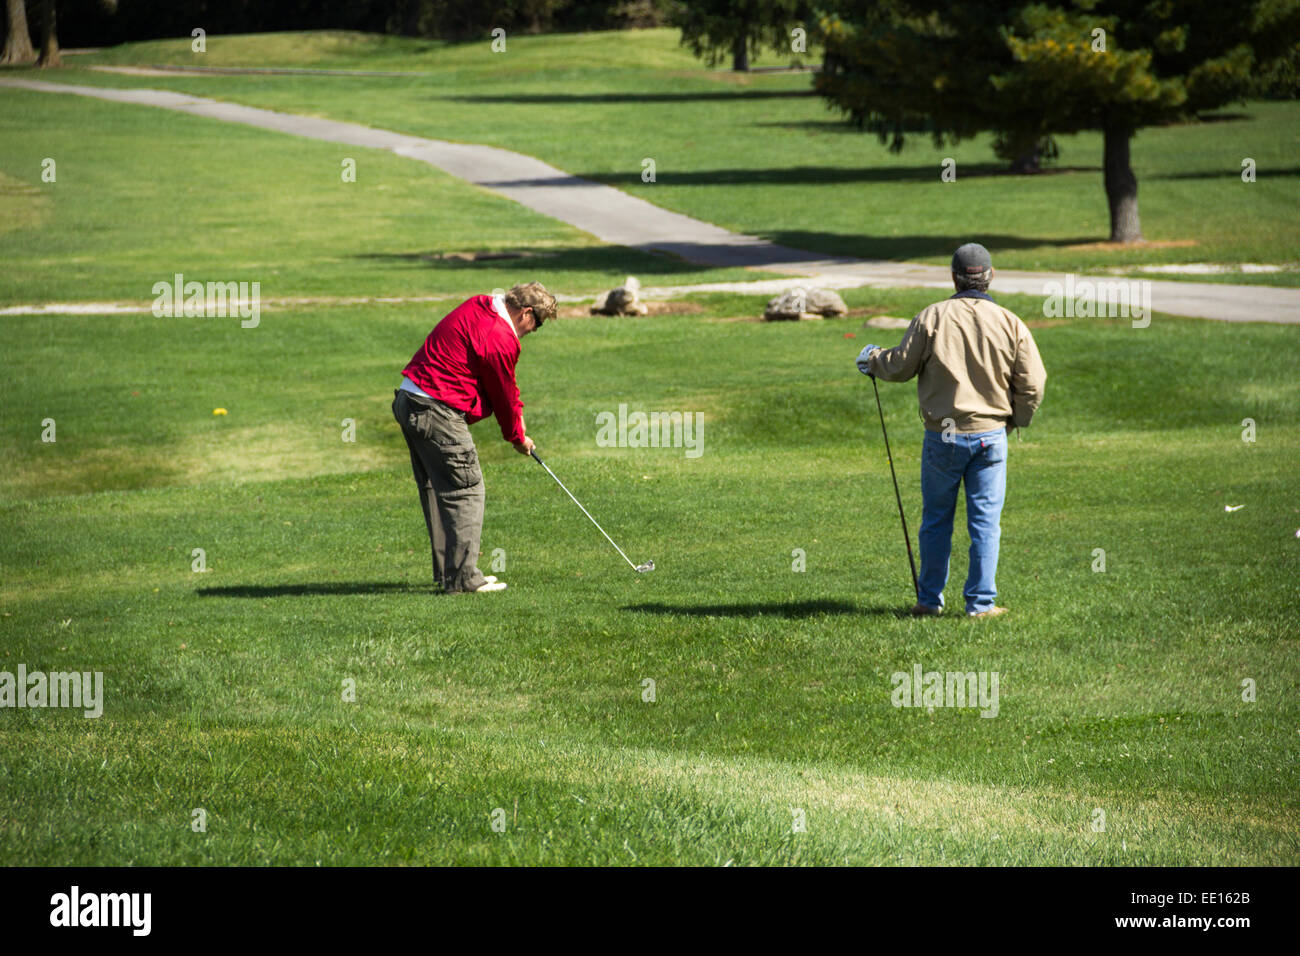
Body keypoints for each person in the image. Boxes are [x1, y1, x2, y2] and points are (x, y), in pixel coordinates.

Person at [856, 244, 1047, 618]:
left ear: (954, 277)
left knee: (936, 520)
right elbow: (1034, 383)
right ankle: (980, 604)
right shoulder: (1011, 322)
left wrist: (872, 359)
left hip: (943, 435)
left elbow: (900, 366)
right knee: (986, 523)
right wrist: (1015, 420)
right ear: (990, 277)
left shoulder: (933, 316)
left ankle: (928, 601)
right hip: (991, 434)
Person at [393, 282, 556, 593]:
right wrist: (517, 437)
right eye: (538, 324)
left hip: (409, 399)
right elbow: (503, 392)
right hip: (436, 409)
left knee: (438, 488)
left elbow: (501, 382)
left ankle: (450, 574)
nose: (534, 331)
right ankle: (464, 578)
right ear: (526, 314)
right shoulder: (500, 336)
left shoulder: (480, 304)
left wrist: (516, 425)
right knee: (466, 489)